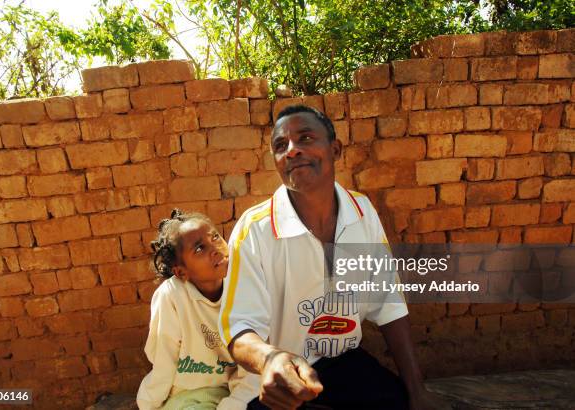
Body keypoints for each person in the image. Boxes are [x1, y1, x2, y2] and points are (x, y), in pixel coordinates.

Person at [218, 105, 447, 409]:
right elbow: (239, 330)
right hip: (278, 381)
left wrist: (416, 390)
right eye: (280, 146)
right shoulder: (255, 229)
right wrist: (270, 359)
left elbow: (388, 302)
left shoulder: (362, 212)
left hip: (343, 364)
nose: (292, 150)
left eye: (305, 138)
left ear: (335, 149)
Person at [137, 209, 258, 410]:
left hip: (233, 392)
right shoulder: (172, 296)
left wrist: (233, 404)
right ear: (181, 272)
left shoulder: (243, 286)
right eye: (200, 249)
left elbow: (251, 370)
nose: (216, 248)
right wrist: (148, 404)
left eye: (216, 237)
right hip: (188, 397)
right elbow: (164, 362)